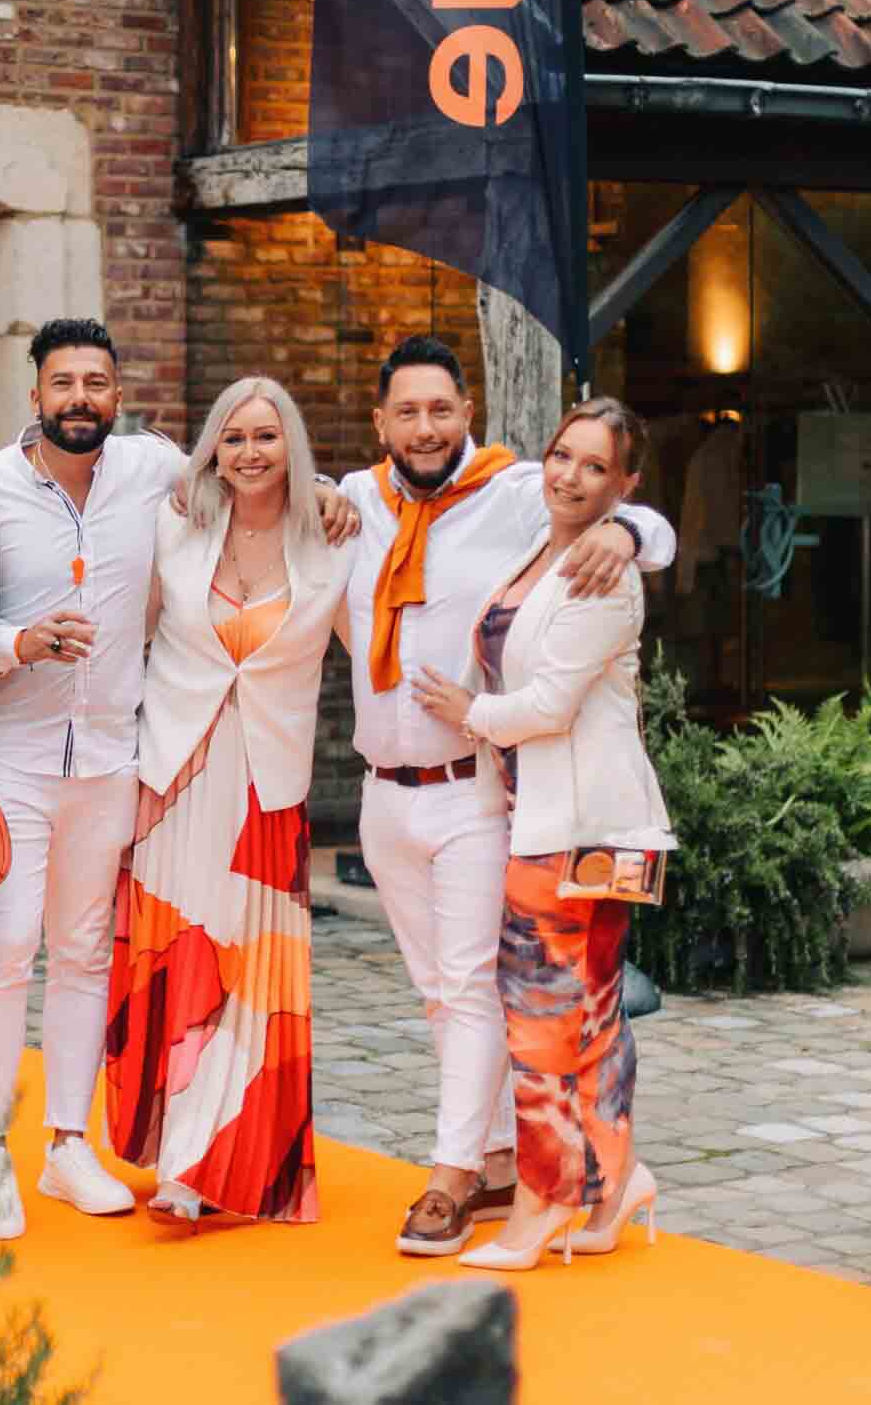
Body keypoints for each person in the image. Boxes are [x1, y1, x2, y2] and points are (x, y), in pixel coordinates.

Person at [0, 321, 361, 1241]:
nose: (79, 398)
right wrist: (16, 643)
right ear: (34, 393)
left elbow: (250, 461)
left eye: (96, 382)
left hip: (113, 757)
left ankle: (68, 1145)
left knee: (84, 951)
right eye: (63, 382)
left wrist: (326, 487)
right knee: (6, 945)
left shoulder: (151, 474)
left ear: (118, 394)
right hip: (11, 752)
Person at [339, 335, 675, 1258]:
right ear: (380, 422)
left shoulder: (518, 496)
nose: (425, 426)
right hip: (397, 793)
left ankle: (478, 1180)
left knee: (524, 1005)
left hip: (515, 803)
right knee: (487, 1000)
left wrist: (627, 530)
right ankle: (583, 1174)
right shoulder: (356, 503)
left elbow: (643, 522)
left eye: (441, 409)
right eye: (407, 411)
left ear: (468, 415)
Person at [107, 376, 359, 1225]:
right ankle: (180, 1159)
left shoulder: (335, 540)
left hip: (266, 789)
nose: (250, 453)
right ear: (212, 448)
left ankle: (221, 1165)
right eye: (235, 437)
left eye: (267, 436)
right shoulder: (174, 525)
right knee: (183, 963)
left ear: (293, 447)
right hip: (177, 779)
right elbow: (129, 633)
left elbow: (382, 641)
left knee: (251, 978)